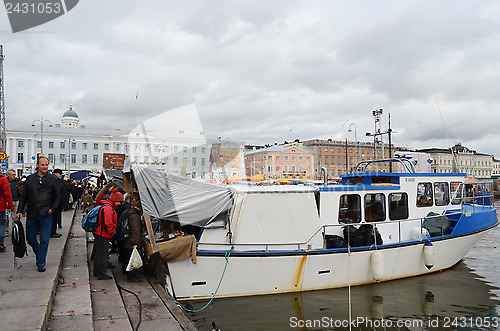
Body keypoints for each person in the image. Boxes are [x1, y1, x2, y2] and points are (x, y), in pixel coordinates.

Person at [17, 157, 60, 272]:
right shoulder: (30, 179)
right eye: (42, 165)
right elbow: (24, 197)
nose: (45, 167)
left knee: (44, 239)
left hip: (46, 213)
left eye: (46, 165)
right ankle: (39, 252)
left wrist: (52, 209)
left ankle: (41, 262)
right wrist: (20, 210)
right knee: (30, 239)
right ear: (37, 165)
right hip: (32, 213)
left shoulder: (53, 180)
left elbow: (57, 196)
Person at [93, 188, 123, 280]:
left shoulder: (106, 205)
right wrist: (111, 232)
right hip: (103, 234)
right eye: (118, 202)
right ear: (115, 200)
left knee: (99, 253)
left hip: (99, 232)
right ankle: (102, 274)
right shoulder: (108, 208)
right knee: (103, 254)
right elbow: (107, 223)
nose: (119, 204)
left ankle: (96, 271)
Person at [121, 197, 143, 282]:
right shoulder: (134, 216)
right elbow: (135, 229)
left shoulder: (128, 212)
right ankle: (131, 277)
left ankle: (127, 273)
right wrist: (135, 242)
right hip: (131, 241)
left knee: (127, 258)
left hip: (127, 240)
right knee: (131, 260)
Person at [0, 171, 13, 252]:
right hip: (1, 206)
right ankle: (1, 242)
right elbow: (8, 194)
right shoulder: (3, 179)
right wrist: (10, 206)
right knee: (1, 223)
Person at [50, 169, 65, 238]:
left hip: (56, 203)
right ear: (56, 174)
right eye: (60, 174)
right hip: (55, 203)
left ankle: (53, 231)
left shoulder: (57, 181)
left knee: (55, 218)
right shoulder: (55, 181)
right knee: (54, 218)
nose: (61, 175)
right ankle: (52, 232)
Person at [6, 169, 20, 237]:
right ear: (8, 175)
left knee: (15, 217)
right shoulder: (5, 181)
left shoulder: (16, 181)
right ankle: (5, 230)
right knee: (7, 218)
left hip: (16, 200)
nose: (14, 176)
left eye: (15, 174)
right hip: (8, 201)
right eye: (13, 175)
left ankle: (15, 229)